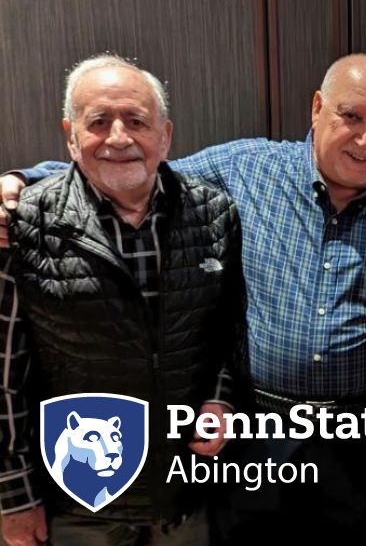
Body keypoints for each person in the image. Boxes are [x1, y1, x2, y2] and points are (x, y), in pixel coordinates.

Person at [0, 54, 366, 544]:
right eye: (351, 117)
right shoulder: (246, 167)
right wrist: (24, 181)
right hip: (259, 431)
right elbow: (136, 168)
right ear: (317, 108)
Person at [0, 55, 243, 545]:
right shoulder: (23, 224)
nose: (118, 138)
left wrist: (220, 399)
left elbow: (229, 331)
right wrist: (13, 495)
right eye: (98, 122)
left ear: (165, 135)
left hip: (186, 491)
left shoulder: (214, 213)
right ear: (70, 135)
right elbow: (3, 374)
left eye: (136, 121)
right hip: (78, 500)